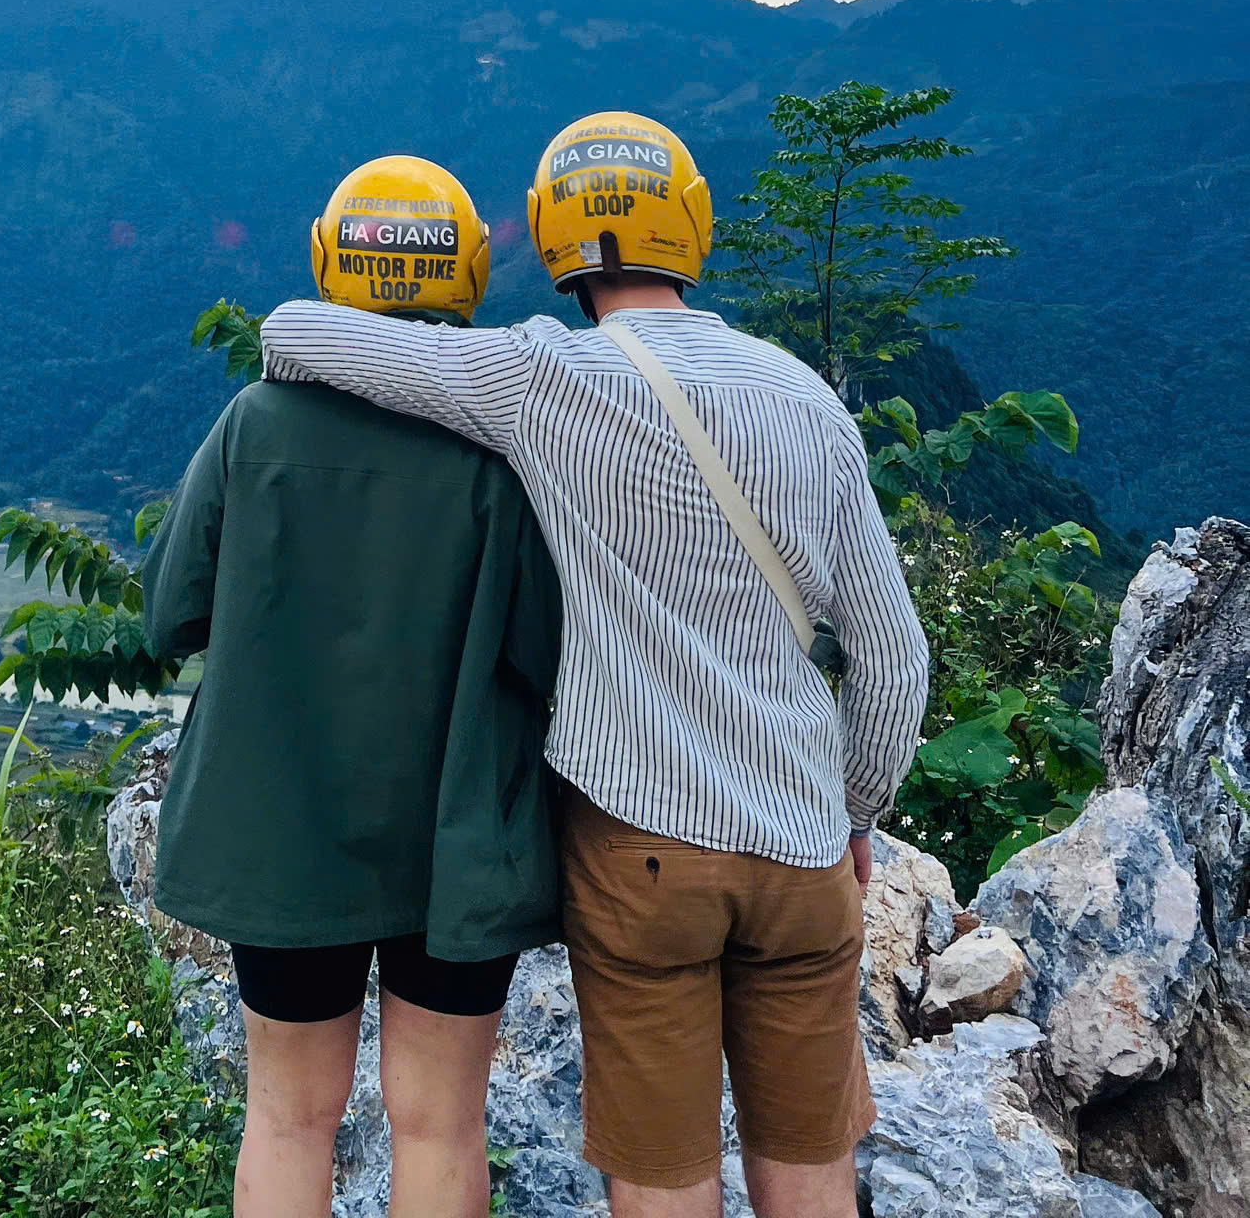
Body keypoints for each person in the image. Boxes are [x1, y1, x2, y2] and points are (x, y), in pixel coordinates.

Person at [260, 110, 931, 1218]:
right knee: (813, 1157)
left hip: (642, 849)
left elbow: (299, 335)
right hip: (806, 852)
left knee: (663, 1166)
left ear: (548, 236)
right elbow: (894, 658)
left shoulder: (546, 379)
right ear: (693, 223)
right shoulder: (807, 399)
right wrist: (855, 810)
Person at [140, 154, 563, 1218]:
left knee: (289, 1117)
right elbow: (544, 651)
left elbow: (169, 615)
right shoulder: (500, 444)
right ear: (470, 269)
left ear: (331, 259)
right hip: (454, 844)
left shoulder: (254, 423)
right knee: (440, 1122)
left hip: (284, 836)